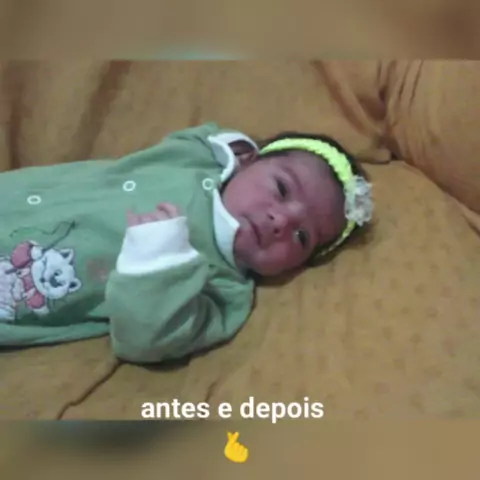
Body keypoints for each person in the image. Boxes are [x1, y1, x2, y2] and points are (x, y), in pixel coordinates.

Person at [0, 123, 373, 363]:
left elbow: (150, 340)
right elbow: (195, 136)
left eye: (302, 237)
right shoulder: (199, 161)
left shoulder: (226, 289)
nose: (283, 221)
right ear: (250, 162)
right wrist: (228, 145)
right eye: (281, 188)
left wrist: (157, 265)